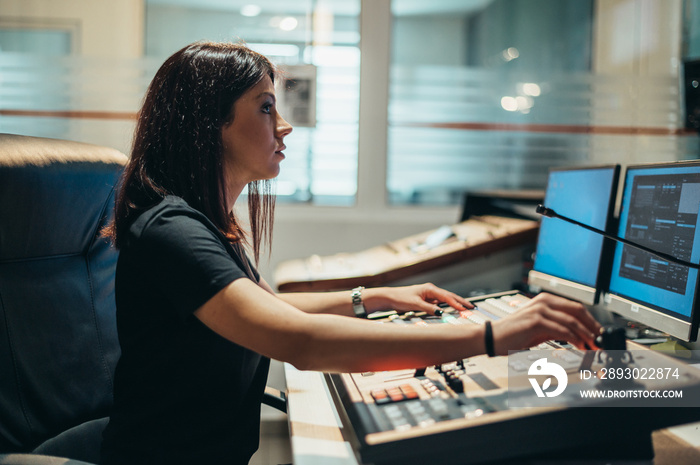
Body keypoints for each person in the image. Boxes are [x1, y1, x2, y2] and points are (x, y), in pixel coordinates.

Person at [100, 41, 600, 465]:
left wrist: (378, 297)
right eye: (266, 107)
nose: (285, 126)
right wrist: (491, 336)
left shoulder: (200, 223)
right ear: (211, 123)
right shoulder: (171, 230)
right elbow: (295, 340)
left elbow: (267, 307)